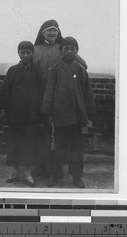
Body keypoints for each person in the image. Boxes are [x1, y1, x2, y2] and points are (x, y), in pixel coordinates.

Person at [33, 19, 87, 176]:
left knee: (59, 137)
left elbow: (83, 65)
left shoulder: (64, 49)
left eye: (54, 31)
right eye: (48, 31)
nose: (52, 33)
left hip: (59, 98)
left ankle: (57, 171)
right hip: (40, 97)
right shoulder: (35, 49)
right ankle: (42, 167)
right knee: (43, 135)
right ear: (42, 33)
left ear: (58, 34)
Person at [41, 37, 96, 188]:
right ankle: (55, 174)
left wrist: (89, 112)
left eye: (73, 48)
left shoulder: (81, 70)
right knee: (57, 148)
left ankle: (77, 176)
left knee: (76, 149)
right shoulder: (55, 70)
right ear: (61, 51)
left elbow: (87, 93)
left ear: (77, 51)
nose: (69, 51)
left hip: (76, 117)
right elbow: (49, 92)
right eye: (66, 48)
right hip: (58, 117)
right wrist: (47, 113)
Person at [0, 41, 43, 187]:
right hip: (15, 115)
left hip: (32, 116)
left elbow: (42, 92)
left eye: (28, 52)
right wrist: (4, 109)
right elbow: (5, 91)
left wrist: (41, 112)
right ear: (18, 53)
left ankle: (28, 173)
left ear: (32, 54)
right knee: (14, 144)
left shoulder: (37, 71)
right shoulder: (12, 71)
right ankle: (15, 172)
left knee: (30, 145)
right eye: (22, 52)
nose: (25, 55)